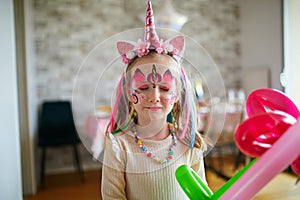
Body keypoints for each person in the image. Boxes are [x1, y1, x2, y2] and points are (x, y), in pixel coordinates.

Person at [101, 1, 207, 199]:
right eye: (142, 88)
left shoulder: (189, 143)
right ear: (128, 94)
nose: (154, 97)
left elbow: (201, 195)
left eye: (165, 88)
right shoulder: (119, 146)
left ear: (178, 96)